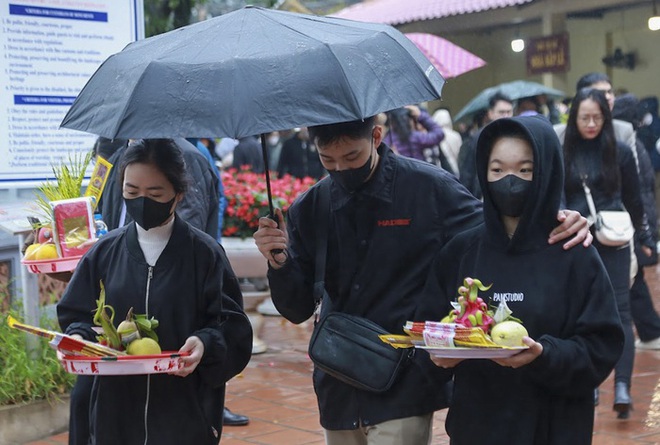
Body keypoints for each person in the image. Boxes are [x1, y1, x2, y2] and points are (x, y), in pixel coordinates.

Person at [253, 115, 591, 445]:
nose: (341, 169)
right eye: (329, 160)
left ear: (376, 137)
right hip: (337, 383)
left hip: (403, 383)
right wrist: (279, 261)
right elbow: (296, 308)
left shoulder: (429, 188)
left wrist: (554, 217)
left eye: (352, 157)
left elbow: (495, 232)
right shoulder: (313, 205)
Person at [424, 115, 623, 445]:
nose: (510, 181)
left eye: (525, 170)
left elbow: (602, 346)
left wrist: (544, 355)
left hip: (554, 427)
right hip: (479, 426)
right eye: (498, 170)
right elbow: (429, 328)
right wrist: (441, 355)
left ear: (546, 173)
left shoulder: (574, 250)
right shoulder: (461, 251)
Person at [56, 139, 253, 445]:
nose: (142, 201)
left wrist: (204, 343)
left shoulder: (205, 255)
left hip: (183, 412)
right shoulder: (104, 253)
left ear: (179, 194)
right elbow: (77, 315)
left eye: (155, 193)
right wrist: (79, 339)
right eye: (132, 192)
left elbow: (232, 327)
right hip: (114, 412)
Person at [562, 88, 654, 419]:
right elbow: (557, 198)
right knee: (579, 312)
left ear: (606, 118)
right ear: (574, 118)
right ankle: (590, 383)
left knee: (620, 311)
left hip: (614, 240)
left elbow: (634, 200)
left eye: (597, 118)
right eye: (584, 117)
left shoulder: (619, 152)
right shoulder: (565, 151)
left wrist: (645, 237)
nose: (591, 124)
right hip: (576, 239)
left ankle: (622, 387)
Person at [612, 95, 660, 350]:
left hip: (627, 224)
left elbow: (636, 192)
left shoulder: (624, 145)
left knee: (633, 280)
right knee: (633, 279)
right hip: (633, 223)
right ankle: (651, 331)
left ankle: (651, 331)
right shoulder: (631, 142)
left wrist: (643, 232)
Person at [458, 92, 514, 199]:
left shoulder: (518, 136)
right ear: (491, 113)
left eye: (509, 112)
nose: (506, 116)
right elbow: (468, 173)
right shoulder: (479, 137)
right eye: (501, 112)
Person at [432, 108, 462, 177]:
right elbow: (459, 153)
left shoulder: (436, 135)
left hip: (441, 170)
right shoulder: (456, 135)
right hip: (455, 169)